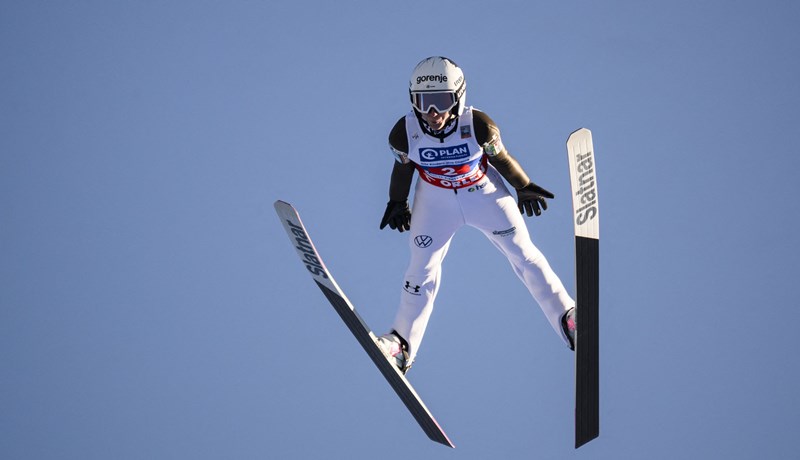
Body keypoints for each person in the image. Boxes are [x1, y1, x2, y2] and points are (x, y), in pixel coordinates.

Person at [375, 56, 576, 374]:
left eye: (440, 102)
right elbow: (402, 168)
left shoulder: (479, 125)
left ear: (458, 98)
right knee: (420, 268)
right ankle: (401, 345)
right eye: (423, 102)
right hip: (435, 201)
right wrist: (396, 202)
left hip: (483, 194)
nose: (432, 113)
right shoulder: (404, 132)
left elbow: (502, 158)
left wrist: (523, 186)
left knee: (524, 254)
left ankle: (568, 317)